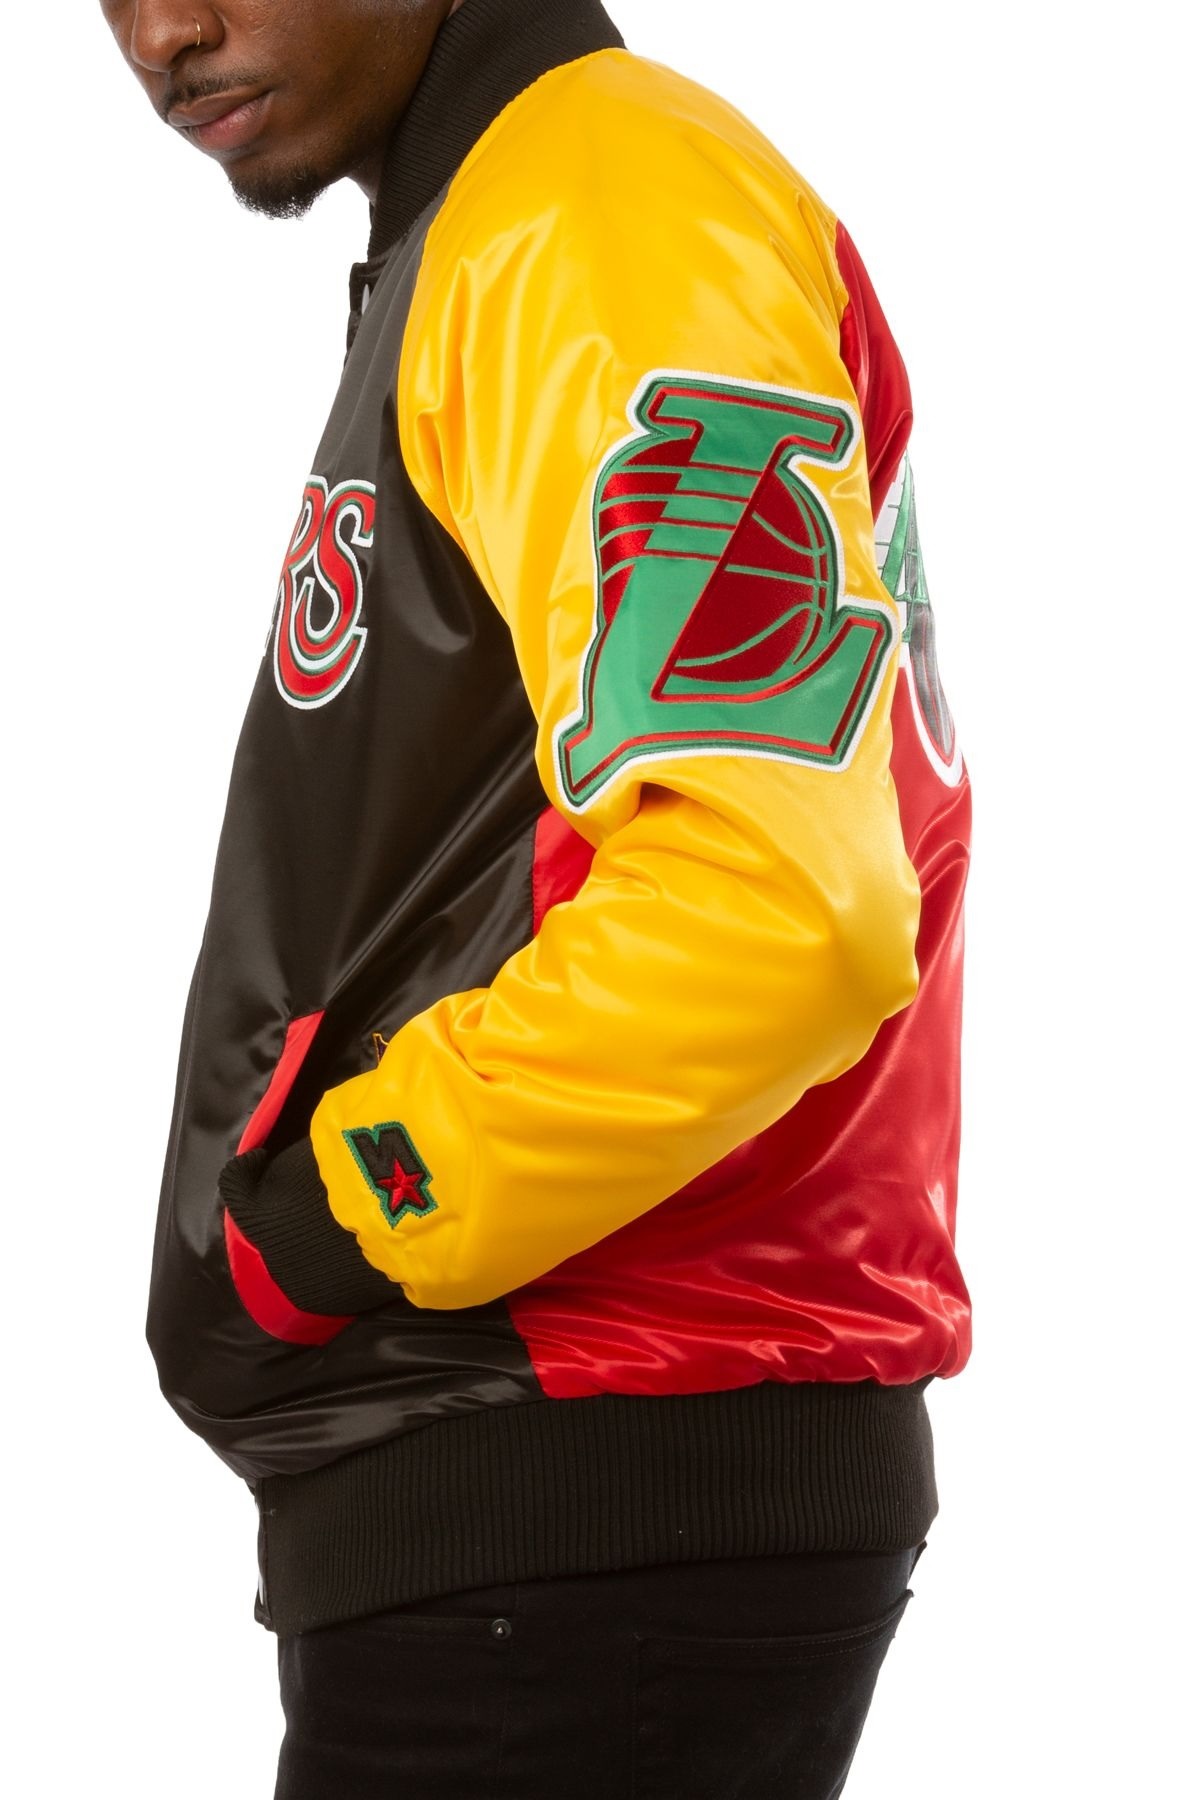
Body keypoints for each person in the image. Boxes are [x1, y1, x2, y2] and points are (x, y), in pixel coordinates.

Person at [101, 1, 973, 1794]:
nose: (161, 31)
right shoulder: (517, 216)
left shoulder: (596, 207)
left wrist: (349, 1207)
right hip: (561, 1496)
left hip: (583, 1469)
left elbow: (775, 908)